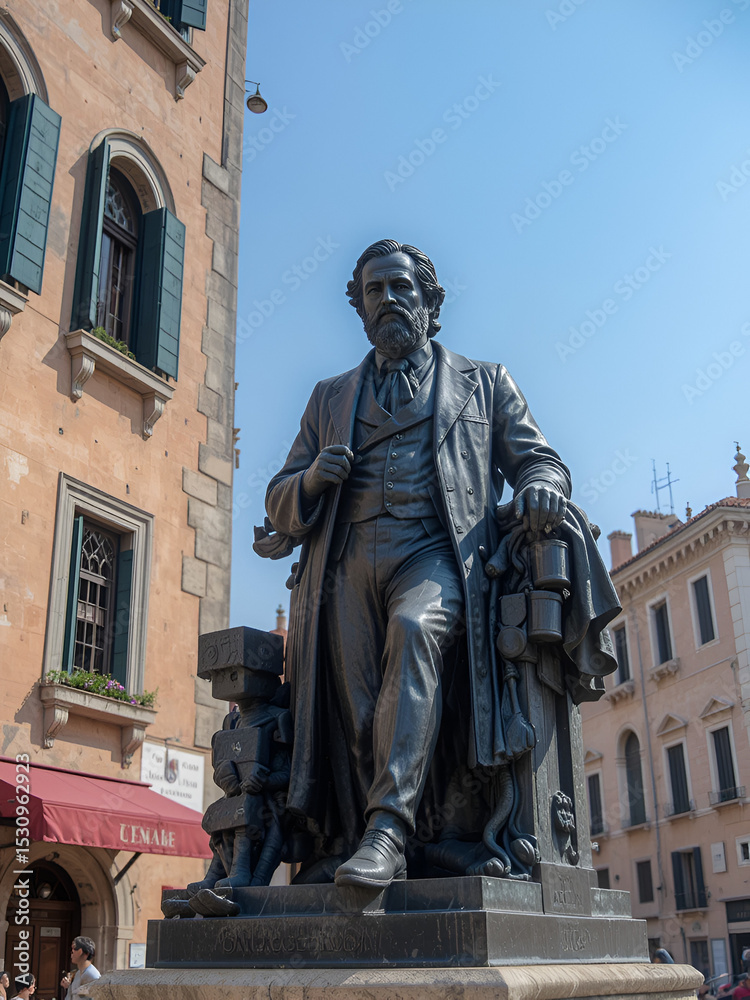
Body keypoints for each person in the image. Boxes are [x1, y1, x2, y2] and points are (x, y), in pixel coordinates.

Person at [259, 238, 613, 888]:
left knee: (416, 631)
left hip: (437, 553)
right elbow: (279, 504)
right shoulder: (329, 397)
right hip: (345, 564)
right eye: (376, 290)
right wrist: (309, 481)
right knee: (359, 707)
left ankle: (389, 831)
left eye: (402, 287)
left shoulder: (484, 383)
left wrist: (539, 485)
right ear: (361, 310)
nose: (390, 299)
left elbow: (540, 459)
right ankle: (383, 834)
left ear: (431, 300)